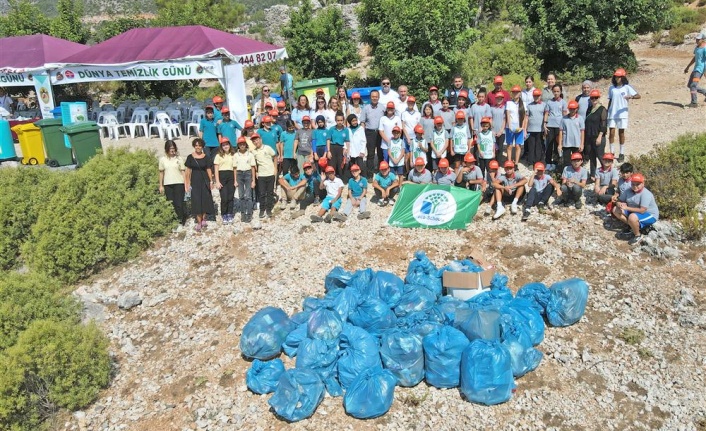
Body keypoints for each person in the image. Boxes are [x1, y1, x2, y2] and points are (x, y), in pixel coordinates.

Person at [613, 173, 659, 245]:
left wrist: (626, 208)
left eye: (637, 184)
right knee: (616, 210)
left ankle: (637, 235)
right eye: (633, 184)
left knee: (632, 217)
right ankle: (633, 226)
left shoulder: (646, 194)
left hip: (649, 214)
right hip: (634, 212)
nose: (635, 186)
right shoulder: (628, 191)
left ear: (643, 184)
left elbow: (642, 210)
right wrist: (619, 204)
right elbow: (619, 200)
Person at [607, 68, 640, 162]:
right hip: (612, 113)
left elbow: (638, 96)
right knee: (611, 133)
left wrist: (631, 97)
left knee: (621, 133)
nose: (617, 78)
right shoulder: (611, 88)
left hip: (622, 113)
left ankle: (621, 153)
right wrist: (607, 111)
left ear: (623, 77)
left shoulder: (627, 87)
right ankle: (612, 152)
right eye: (616, 76)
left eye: (619, 77)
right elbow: (610, 100)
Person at [184, 138, 215, 231]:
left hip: (204, 180)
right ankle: (199, 221)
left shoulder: (206, 157)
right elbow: (188, 171)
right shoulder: (190, 157)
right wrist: (187, 183)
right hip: (195, 181)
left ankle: (204, 219)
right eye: (196, 145)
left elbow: (208, 169)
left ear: (202, 147)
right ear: (194, 146)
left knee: (205, 199)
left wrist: (211, 181)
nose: (198, 147)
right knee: (196, 200)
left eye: (200, 145)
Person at [158, 140, 187, 226]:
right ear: (166, 149)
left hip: (179, 183)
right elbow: (161, 172)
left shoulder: (179, 159)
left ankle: (181, 220)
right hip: (168, 184)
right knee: (171, 203)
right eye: (170, 149)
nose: (172, 150)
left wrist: (186, 184)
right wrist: (161, 185)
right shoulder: (162, 160)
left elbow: (183, 172)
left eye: (173, 148)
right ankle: (173, 220)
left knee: (179, 203)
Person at [584, 89, 608, 181]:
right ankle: (593, 175)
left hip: (598, 136)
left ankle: (606, 175)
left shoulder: (602, 109)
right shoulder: (589, 109)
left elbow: (604, 124)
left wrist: (600, 136)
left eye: (596, 97)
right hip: (589, 136)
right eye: (592, 98)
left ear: (599, 98)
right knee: (592, 157)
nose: (594, 99)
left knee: (601, 156)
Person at [252, 132, 277, 219]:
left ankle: (269, 209)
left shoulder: (267, 148)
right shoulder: (254, 152)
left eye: (257, 140)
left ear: (260, 140)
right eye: (254, 141)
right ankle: (262, 209)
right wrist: (256, 171)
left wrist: (275, 169)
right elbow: (253, 163)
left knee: (270, 192)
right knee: (261, 193)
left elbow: (274, 157)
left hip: (270, 173)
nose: (256, 142)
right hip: (261, 175)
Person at [360, 89, 385, 177]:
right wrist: (363, 134)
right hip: (369, 132)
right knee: (370, 154)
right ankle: (370, 174)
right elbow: (362, 122)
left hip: (380, 132)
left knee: (380, 153)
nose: (374, 98)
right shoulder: (366, 108)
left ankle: (381, 171)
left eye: (376, 96)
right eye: (373, 97)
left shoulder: (382, 107)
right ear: (370, 97)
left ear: (379, 97)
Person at [543, 84, 568, 170]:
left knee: (558, 144)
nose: (556, 93)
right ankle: (548, 162)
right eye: (554, 91)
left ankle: (556, 162)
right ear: (552, 92)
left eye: (558, 91)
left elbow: (565, 115)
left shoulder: (563, 102)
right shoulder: (549, 102)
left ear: (560, 92)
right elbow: (546, 113)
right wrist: (545, 124)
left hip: (559, 127)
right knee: (549, 144)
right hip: (550, 126)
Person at [214, 137, 236, 224]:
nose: (225, 146)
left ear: (229, 145)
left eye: (227, 144)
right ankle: (224, 214)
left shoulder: (233, 154)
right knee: (224, 197)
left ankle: (230, 213)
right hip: (222, 176)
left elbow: (235, 168)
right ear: (221, 146)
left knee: (230, 196)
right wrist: (217, 181)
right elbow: (216, 169)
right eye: (223, 145)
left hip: (231, 176)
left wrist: (235, 180)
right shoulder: (218, 155)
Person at [234, 136, 257, 223]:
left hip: (248, 173)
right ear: (238, 145)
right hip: (239, 174)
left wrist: (253, 180)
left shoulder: (250, 155)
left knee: (248, 195)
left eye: (243, 144)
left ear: (246, 145)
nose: (242, 146)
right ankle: (243, 213)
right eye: (240, 144)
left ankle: (249, 213)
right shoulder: (236, 155)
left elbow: (253, 168)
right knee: (241, 195)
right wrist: (235, 180)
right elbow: (235, 168)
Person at [558, 100, 585, 167]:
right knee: (566, 162)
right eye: (570, 109)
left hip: (577, 143)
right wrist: (560, 144)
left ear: (577, 109)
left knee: (577, 161)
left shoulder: (580, 118)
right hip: (566, 143)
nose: (572, 110)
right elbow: (561, 131)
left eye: (574, 109)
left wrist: (582, 144)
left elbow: (582, 132)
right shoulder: (564, 119)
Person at [505, 85, 527, 165]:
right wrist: (509, 126)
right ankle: (509, 161)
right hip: (510, 127)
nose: (515, 94)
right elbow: (508, 115)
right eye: (514, 92)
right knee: (509, 145)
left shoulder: (523, 104)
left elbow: (524, 117)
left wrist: (523, 128)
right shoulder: (509, 103)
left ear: (520, 93)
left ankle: (516, 163)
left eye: (517, 92)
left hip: (519, 127)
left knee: (518, 146)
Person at [684, 32, 706, 108]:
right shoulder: (697, 48)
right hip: (695, 69)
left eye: (698, 39)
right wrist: (688, 66)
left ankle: (694, 103)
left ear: (703, 39)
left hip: (700, 70)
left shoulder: (705, 48)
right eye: (696, 39)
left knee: (693, 85)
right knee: (690, 85)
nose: (697, 40)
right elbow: (695, 58)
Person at [525, 88, 546, 166]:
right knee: (531, 146)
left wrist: (545, 126)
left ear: (540, 96)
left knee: (539, 146)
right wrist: (525, 128)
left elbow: (545, 116)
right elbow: (526, 117)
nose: (536, 97)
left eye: (538, 96)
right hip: (531, 129)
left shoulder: (544, 105)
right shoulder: (529, 105)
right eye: (535, 96)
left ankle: (537, 162)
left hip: (540, 130)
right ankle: (530, 162)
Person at [327, 112, 350, 177]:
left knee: (341, 164)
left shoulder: (346, 130)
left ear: (343, 120)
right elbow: (328, 140)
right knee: (332, 164)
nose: (339, 122)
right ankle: (331, 178)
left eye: (341, 120)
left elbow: (347, 141)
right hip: (333, 147)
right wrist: (328, 151)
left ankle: (340, 179)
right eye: (338, 120)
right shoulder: (332, 129)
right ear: (335, 120)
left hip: (341, 148)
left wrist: (347, 150)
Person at [401, 96, 421, 168]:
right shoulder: (404, 113)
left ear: (414, 103)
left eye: (412, 102)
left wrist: (418, 137)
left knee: (415, 155)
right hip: (406, 137)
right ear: (407, 103)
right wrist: (408, 137)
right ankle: (407, 172)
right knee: (407, 155)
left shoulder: (418, 114)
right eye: (409, 102)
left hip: (415, 137)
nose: (410, 104)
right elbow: (403, 126)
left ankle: (414, 170)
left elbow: (419, 126)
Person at [490, 92, 507, 163]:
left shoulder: (505, 108)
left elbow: (505, 120)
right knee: (493, 147)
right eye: (497, 98)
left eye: (501, 98)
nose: (499, 100)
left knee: (500, 148)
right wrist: (492, 130)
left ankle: (499, 163)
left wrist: (501, 130)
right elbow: (490, 119)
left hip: (501, 132)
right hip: (493, 131)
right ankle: (493, 161)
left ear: (503, 99)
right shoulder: (492, 108)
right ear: (495, 99)